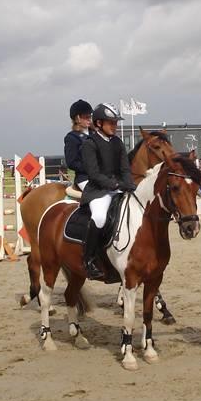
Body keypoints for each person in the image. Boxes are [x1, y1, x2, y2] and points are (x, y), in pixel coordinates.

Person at [79, 103, 135, 280]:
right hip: (98, 191)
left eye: (115, 123)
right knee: (100, 217)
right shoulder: (90, 144)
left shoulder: (118, 143)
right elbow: (94, 174)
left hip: (117, 188)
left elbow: (125, 169)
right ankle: (89, 260)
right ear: (98, 124)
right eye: (111, 123)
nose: (115, 126)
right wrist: (115, 185)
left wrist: (129, 184)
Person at [64, 99, 93, 190]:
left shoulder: (96, 134)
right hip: (84, 178)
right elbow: (72, 162)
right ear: (78, 118)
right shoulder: (72, 138)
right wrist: (92, 168)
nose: (89, 119)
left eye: (90, 116)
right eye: (86, 117)